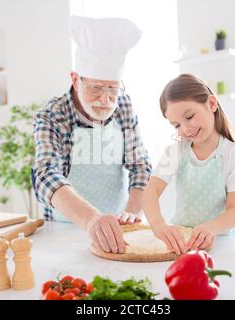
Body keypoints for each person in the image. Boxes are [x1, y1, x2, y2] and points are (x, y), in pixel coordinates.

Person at [33, 16, 152, 254]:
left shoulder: (124, 106)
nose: (105, 100)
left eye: (113, 89)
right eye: (96, 88)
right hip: (63, 230)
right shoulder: (52, 114)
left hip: (118, 228)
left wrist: (131, 213)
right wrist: (91, 219)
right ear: (75, 80)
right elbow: (46, 175)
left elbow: (140, 165)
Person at [142, 74, 235, 255]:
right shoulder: (175, 152)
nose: (185, 128)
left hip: (223, 243)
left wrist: (211, 228)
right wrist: (158, 224)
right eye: (176, 125)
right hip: (183, 244)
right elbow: (151, 191)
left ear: (211, 104)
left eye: (189, 116)